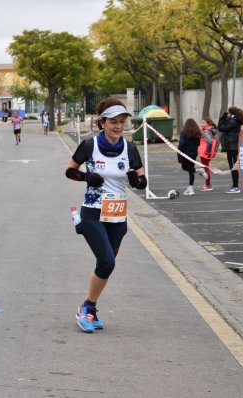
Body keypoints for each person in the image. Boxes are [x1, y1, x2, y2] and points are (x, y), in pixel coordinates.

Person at [65, 97, 147, 333]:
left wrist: (137, 180)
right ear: (102, 122)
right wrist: (86, 177)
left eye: (122, 122)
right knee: (107, 261)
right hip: (93, 211)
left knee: (107, 265)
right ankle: (87, 308)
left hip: (118, 217)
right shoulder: (90, 146)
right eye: (113, 121)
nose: (118, 126)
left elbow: (142, 181)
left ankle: (91, 307)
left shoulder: (129, 148)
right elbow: (69, 171)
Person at [218, 106, 243, 193]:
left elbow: (221, 127)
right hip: (232, 146)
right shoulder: (235, 121)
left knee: (233, 166)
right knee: (233, 166)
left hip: (231, 147)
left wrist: (223, 117)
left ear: (232, 113)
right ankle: (235, 185)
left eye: (229, 113)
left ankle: (235, 187)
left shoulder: (232, 121)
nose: (228, 114)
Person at [177, 118, 203, 196]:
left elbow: (182, 144)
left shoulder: (183, 133)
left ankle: (190, 188)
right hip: (193, 153)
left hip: (184, 153)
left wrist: (179, 153)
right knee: (190, 170)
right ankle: (191, 186)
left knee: (185, 167)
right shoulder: (197, 134)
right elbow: (199, 143)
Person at [198, 117, 219, 191]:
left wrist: (208, 151)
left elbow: (210, 141)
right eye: (201, 122)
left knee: (205, 169)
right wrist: (214, 151)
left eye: (204, 122)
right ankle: (207, 184)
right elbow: (217, 142)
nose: (202, 124)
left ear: (208, 123)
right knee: (204, 168)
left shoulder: (206, 132)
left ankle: (208, 185)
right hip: (207, 153)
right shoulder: (212, 130)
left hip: (205, 153)